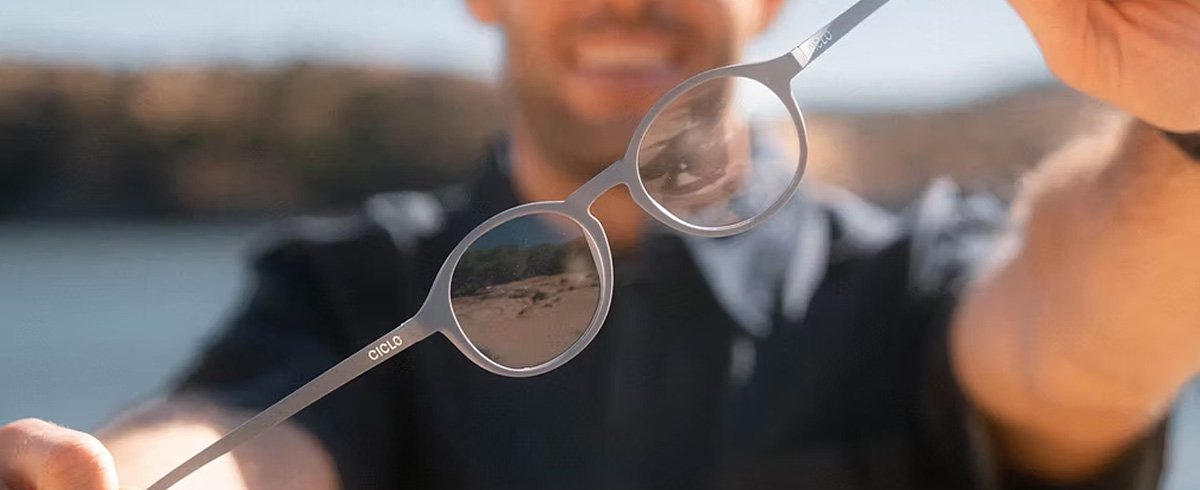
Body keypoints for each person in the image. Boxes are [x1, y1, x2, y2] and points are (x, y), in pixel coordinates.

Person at [2, 0, 1199, 488]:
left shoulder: (902, 281)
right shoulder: (349, 290)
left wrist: (1187, 104)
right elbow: (238, 443)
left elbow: (1077, 338)